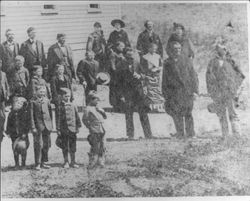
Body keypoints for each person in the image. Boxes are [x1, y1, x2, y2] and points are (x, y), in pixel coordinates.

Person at [206, 44, 244, 139]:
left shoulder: (231, 61)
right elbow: (208, 77)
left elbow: (241, 75)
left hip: (230, 92)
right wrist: (212, 91)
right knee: (222, 114)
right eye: (220, 49)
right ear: (217, 50)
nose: (223, 50)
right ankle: (225, 135)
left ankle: (237, 135)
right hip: (218, 92)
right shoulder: (212, 62)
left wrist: (235, 86)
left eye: (224, 48)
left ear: (226, 50)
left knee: (233, 113)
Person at [162, 41, 199, 139]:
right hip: (174, 92)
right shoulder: (167, 63)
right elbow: (164, 79)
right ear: (170, 50)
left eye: (179, 48)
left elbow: (193, 76)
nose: (177, 51)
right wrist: (165, 94)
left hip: (187, 91)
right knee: (176, 114)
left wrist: (195, 91)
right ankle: (180, 134)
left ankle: (191, 134)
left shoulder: (187, 60)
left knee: (188, 113)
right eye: (175, 49)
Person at [118, 50, 154, 139]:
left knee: (143, 113)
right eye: (128, 58)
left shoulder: (138, 63)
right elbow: (118, 83)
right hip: (127, 93)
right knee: (129, 114)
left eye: (132, 58)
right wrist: (121, 95)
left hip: (139, 92)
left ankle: (148, 135)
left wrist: (140, 76)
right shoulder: (120, 66)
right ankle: (130, 135)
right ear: (125, 58)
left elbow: (146, 74)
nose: (130, 60)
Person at [56, 88, 81, 168]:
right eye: (66, 96)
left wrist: (78, 126)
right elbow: (58, 118)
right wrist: (58, 129)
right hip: (64, 129)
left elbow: (77, 116)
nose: (67, 98)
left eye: (69, 96)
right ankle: (66, 161)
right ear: (62, 96)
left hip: (72, 129)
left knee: (73, 145)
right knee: (65, 146)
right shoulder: (60, 106)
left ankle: (73, 162)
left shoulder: (73, 105)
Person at [82, 91, 107, 169]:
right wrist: (90, 127)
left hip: (102, 129)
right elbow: (84, 119)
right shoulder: (88, 109)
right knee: (95, 147)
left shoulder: (98, 108)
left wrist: (102, 111)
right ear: (91, 100)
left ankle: (101, 161)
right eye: (96, 99)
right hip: (94, 130)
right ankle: (92, 162)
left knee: (103, 146)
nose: (98, 101)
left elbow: (105, 117)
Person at [30, 86, 53, 170]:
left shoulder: (47, 101)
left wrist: (51, 125)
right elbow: (31, 116)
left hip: (47, 126)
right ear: (36, 91)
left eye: (44, 92)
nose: (42, 93)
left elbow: (50, 113)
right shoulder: (33, 102)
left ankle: (44, 162)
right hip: (38, 127)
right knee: (38, 145)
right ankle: (38, 163)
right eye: (40, 91)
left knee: (46, 144)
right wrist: (33, 127)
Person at [139, 43, 165, 112]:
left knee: (157, 91)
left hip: (156, 76)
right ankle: (150, 107)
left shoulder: (158, 56)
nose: (154, 50)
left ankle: (158, 107)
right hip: (148, 76)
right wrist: (147, 71)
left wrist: (157, 69)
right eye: (152, 49)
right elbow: (142, 67)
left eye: (155, 49)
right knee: (149, 91)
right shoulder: (145, 57)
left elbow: (161, 65)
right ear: (149, 48)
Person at [5, 97, 30, 169]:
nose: (18, 105)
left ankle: (23, 164)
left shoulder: (24, 113)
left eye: (20, 103)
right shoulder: (11, 114)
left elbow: (27, 124)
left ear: (23, 105)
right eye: (17, 103)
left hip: (23, 134)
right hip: (14, 134)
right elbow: (8, 124)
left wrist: (25, 132)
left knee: (23, 148)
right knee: (15, 149)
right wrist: (8, 132)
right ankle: (16, 164)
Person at [108, 41, 127, 111]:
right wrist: (117, 72)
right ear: (117, 47)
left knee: (121, 90)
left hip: (122, 76)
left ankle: (121, 105)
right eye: (121, 46)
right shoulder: (113, 54)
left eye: (123, 46)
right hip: (115, 76)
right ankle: (115, 106)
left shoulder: (122, 54)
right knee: (114, 90)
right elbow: (113, 66)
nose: (123, 48)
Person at [0, 59, 9, 143]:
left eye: (0, 63)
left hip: (2, 98)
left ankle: (2, 130)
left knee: (3, 116)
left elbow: (6, 84)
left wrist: (7, 94)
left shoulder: (3, 74)